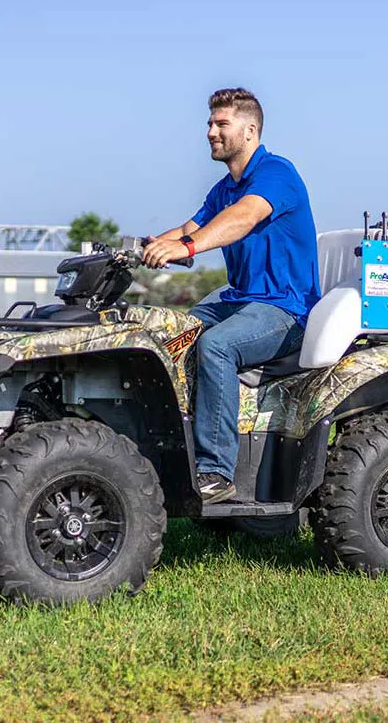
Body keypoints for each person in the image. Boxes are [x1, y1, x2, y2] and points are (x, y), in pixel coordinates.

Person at [143, 88, 320, 503]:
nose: (210, 131)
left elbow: (244, 217)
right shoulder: (225, 188)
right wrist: (141, 249)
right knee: (171, 333)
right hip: (240, 299)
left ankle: (216, 473)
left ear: (250, 130)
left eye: (221, 123)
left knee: (217, 346)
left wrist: (186, 249)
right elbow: (189, 229)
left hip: (285, 309)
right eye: (210, 123)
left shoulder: (276, 173)